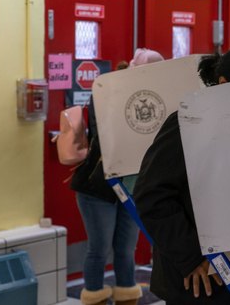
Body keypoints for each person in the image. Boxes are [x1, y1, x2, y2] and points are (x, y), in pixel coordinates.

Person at [134, 46, 230, 304]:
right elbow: (151, 196)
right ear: (223, 84)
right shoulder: (187, 123)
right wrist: (191, 258)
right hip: (197, 275)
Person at [70, 48, 163, 305]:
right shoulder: (105, 92)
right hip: (97, 185)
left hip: (131, 186)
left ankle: (127, 298)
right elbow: (103, 138)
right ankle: (96, 299)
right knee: (98, 250)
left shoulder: (152, 96)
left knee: (125, 250)